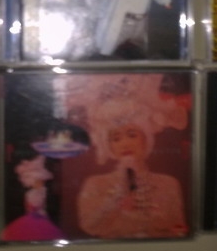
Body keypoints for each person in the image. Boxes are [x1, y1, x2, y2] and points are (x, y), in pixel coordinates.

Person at [77, 98, 187, 239]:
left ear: (146, 139)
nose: (125, 144)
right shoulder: (96, 184)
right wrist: (116, 198)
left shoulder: (168, 184)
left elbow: (178, 229)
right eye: (116, 139)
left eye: (132, 135)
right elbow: (90, 226)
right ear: (109, 146)